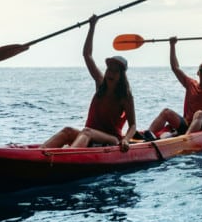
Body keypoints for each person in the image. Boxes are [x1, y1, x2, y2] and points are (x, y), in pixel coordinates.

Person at [41, 15, 138, 151]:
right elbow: (87, 55)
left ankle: (67, 156)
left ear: (121, 76)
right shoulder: (100, 83)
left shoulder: (125, 97)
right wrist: (92, 26)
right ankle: (38, 152)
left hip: (111, 139)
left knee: (86, 131)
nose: (110, 73)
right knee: (68, 130)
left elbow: (133, 125)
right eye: (109, 69)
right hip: (90, 135)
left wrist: (126, 140)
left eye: (115, 71)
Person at [140, 34, 202, 138]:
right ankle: (147, 135)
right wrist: (172, 45)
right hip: (187, 125)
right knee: (166, 112)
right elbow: (175, 68)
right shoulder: (190, 84)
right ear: (198, 73)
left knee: (199, 114)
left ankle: (184, 140)